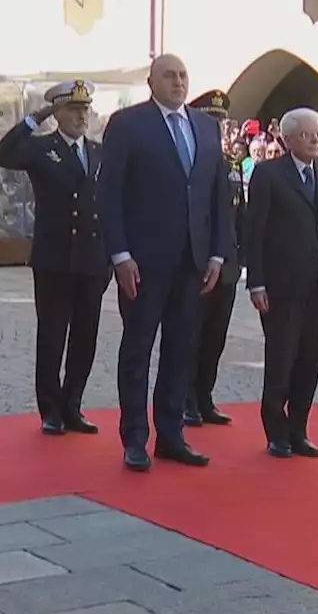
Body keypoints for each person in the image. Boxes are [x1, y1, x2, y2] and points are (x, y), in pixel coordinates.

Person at [99, 55, 231, 472]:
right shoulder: (127, 125)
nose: (178, 82)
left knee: (181, 350)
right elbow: (110, 194)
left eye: (183, 76)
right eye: (169, 75)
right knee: (138, 350)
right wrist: (120, 254)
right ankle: (134, 438)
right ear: (151, 81)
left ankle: (171, 435)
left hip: (192, 262)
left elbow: (217, 195)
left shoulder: (206, 127)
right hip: (143, 261)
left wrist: (216, 252)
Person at [0, 80, 109, 437]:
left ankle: (73, 404)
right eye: (73, 109)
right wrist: (33, 119)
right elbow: (3, 154)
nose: (80, 116)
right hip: (55, 258)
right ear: (57, 113)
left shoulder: (99, 151)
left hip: (92, 258)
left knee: (85, 337)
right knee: (53, 335)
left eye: (84, 109)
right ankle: (51, 409)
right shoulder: (42, 148)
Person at [244, 107, 318, 459]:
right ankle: (276, 431)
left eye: (317, 132)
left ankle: (299, 428)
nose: (315, 139)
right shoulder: (269, 174)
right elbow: (254, 231)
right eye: (306, 134)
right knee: (281, 358)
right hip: (281, 285)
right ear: (287, 140)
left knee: (309, 361)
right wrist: (256, 281)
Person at [185, 89, 238, 427]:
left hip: (228, 263)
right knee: (191, 335)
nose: (218, 126)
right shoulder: (191, 160)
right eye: (211, 120)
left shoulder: (228, 163)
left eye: (221, 120)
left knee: (216, 336)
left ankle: (205, 397)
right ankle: (186, 400)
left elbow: (237, 216)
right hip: (197, 261)